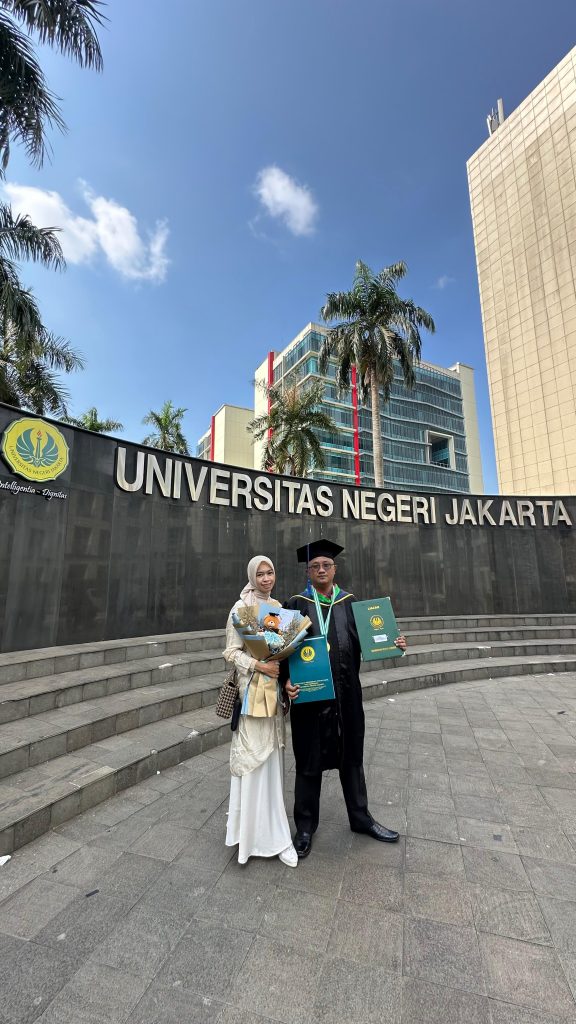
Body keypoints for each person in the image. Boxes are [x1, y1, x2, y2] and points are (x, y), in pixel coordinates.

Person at [282, 539, 407, 859]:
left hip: (346, 696)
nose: (321, 570)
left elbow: (372, 640)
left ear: (335, 569)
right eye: (315, 566)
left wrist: (394, 642)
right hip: (310, 699)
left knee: (351, 758)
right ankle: (305, 827)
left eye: (326, 565)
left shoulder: (351, 603)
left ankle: (361, 818)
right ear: (308, 572)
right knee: (308, 762)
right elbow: (280, 653)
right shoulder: (295, 604)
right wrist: (286, 682)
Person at [223, 556, 298, 867]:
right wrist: (258, 665)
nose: (266, 578)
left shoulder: (278, 607)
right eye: (261, 574)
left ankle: (276, 836)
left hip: (274, 698)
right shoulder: (240, 608)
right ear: (252, 577)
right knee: (254, 762)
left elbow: (282, 651)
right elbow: (230, 652)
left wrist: (282, 674)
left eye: (270, 573)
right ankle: (249, 838)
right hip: (252, 698)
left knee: (272, 763)